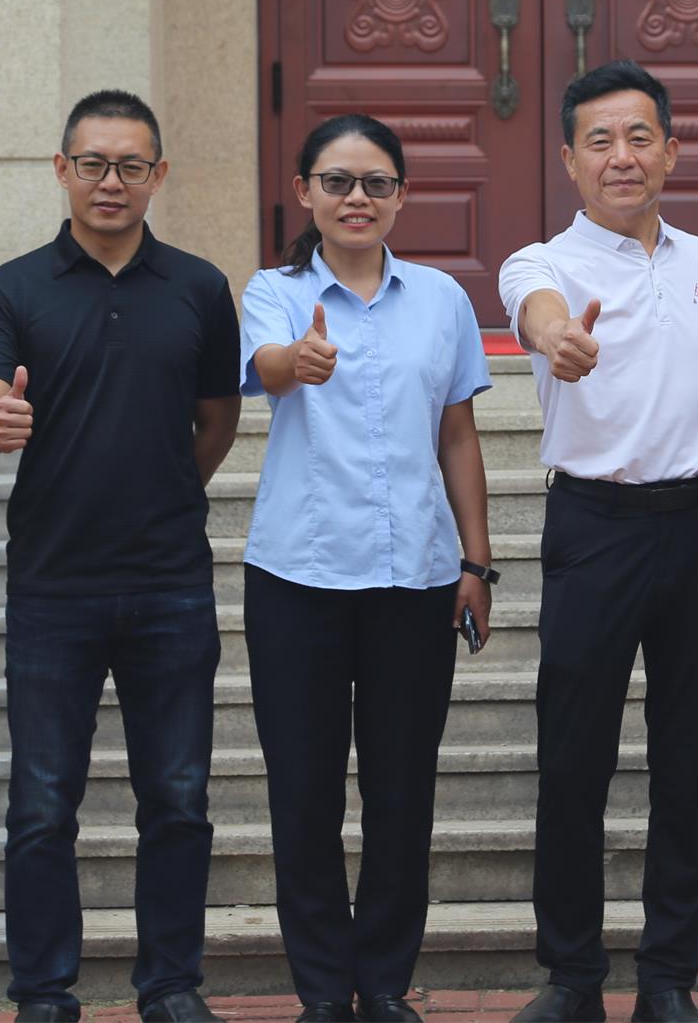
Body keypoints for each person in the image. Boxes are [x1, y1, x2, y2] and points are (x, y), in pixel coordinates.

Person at [0, 90, 242, 1023]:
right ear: (61, 169)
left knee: (178, 797)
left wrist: (167, 485)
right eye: (92, 163)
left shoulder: (199, 286)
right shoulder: (12, 288)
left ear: (158, 174)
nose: (110, 181)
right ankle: (44, 991)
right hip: (54, 583)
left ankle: (170, 985)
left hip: (170, 582)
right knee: (42, 804)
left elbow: (217, 417)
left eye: (130, 165)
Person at [499, 62, 698, 1023]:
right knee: (574, 760)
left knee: (687, 762)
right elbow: (540, 317)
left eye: (640, 137)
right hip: (595, 528)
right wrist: (558, 338)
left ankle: (666, 977)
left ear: (671, 151)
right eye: (599, 140)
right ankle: (572, 976)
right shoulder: (540, 264)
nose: (621, 156)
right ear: (568, 159)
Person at [238, 114, 494, 1023]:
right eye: (337, 181)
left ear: (401, 196)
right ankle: (321, 988)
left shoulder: (441, 298)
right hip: (297, 578)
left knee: (401, 789)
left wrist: (476, 560)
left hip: (415, 579)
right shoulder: (273, 291)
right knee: (303, 791)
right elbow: (267, 367)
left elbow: (457, 433)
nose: (357, 197)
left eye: (376, 182)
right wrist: (297, 360)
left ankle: (383, 981)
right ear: (304, 192)